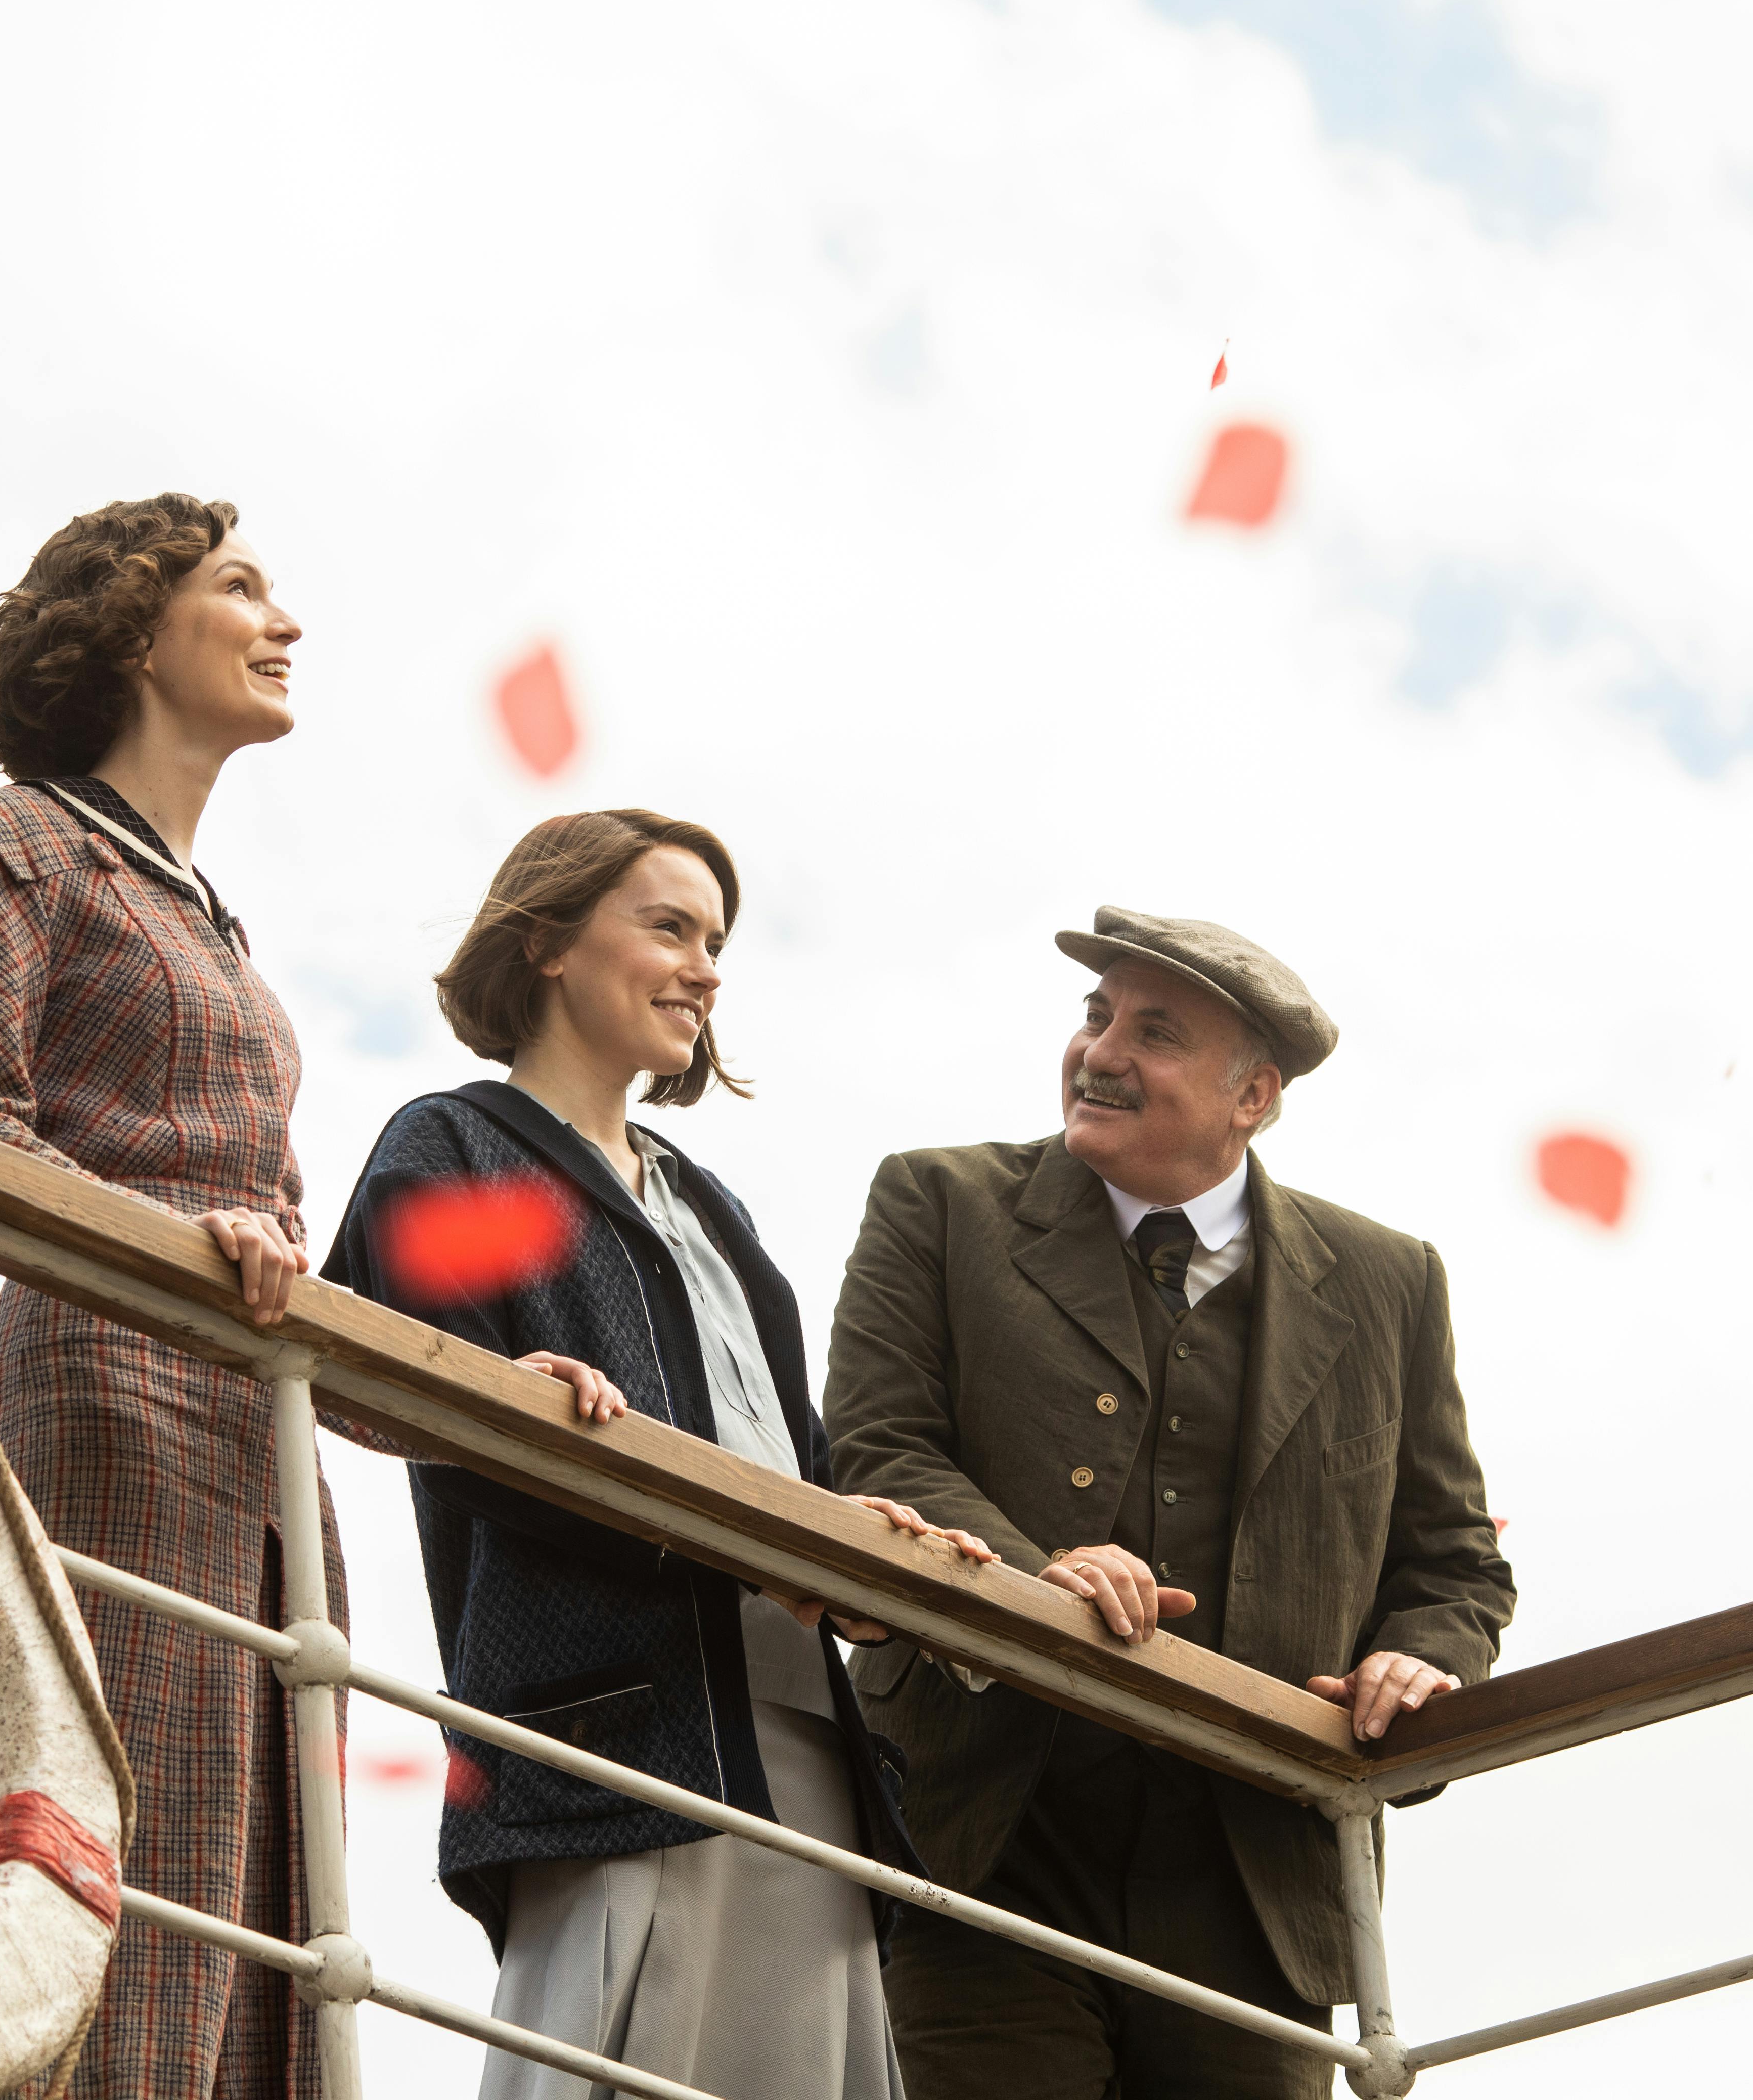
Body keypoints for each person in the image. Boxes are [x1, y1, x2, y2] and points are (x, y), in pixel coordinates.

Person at [322, 810, 991, 2100]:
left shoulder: (716, 1208)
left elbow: (796, 1458)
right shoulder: (448, 1143)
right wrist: (509, 1391)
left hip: (804, 1737)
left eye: (718, 941)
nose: (705, 966)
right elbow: (406, 1391)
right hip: (620, 1741)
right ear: (552, 944)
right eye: (670, 926)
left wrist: (874, 1540)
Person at [823, 907, 1518, 2099]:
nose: (1101, 1050)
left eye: (1154, 1030)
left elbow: (1454, 1564)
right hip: (985, 1835)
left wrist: (1419, 1659)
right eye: (1095, 1015)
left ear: (1254, 1093)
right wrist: (1026, 1565)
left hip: (1259, 1882)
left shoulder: (1391, 1279)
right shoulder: (938, 1202)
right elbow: (880, 1451)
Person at [0, 495, 337, 2100]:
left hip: (258, 1436)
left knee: (278, 1884)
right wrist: (167, 1232)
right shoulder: (7, 843)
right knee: (116, 1848)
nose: (284, 622)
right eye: (241, 589)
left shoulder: (222, 923)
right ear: (132, 627)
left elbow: (266, 1208)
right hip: (106, 1392)